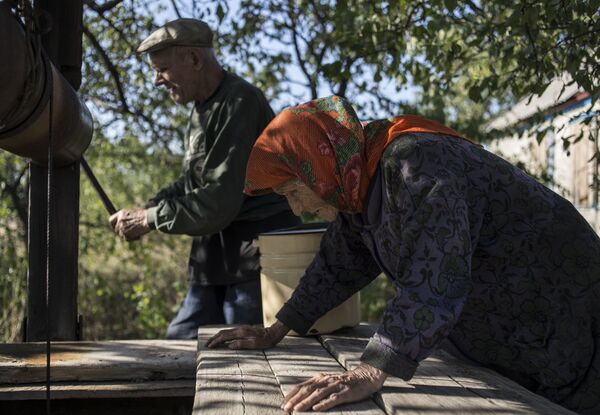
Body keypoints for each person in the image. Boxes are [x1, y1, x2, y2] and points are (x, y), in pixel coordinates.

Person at [206, 96, 600, 414]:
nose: (296, 209)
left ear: (318, 169)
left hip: (566, 313)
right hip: (520, 334)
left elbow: (435, 274)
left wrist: (371, 369)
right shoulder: (358, 181)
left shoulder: (416, 163)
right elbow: (339, 264)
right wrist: (279, 328)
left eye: (294, 192)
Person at [109, 19, 299, 339]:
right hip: (212, 261)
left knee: (242, 362)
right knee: (178, 346)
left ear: (195, 60)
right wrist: (147, 209)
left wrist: (151, 219)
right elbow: (192, 180)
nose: (157, 81)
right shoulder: (200, 109)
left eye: (163, 69)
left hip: (253, 263)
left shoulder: (240, 102)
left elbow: (219, 202)